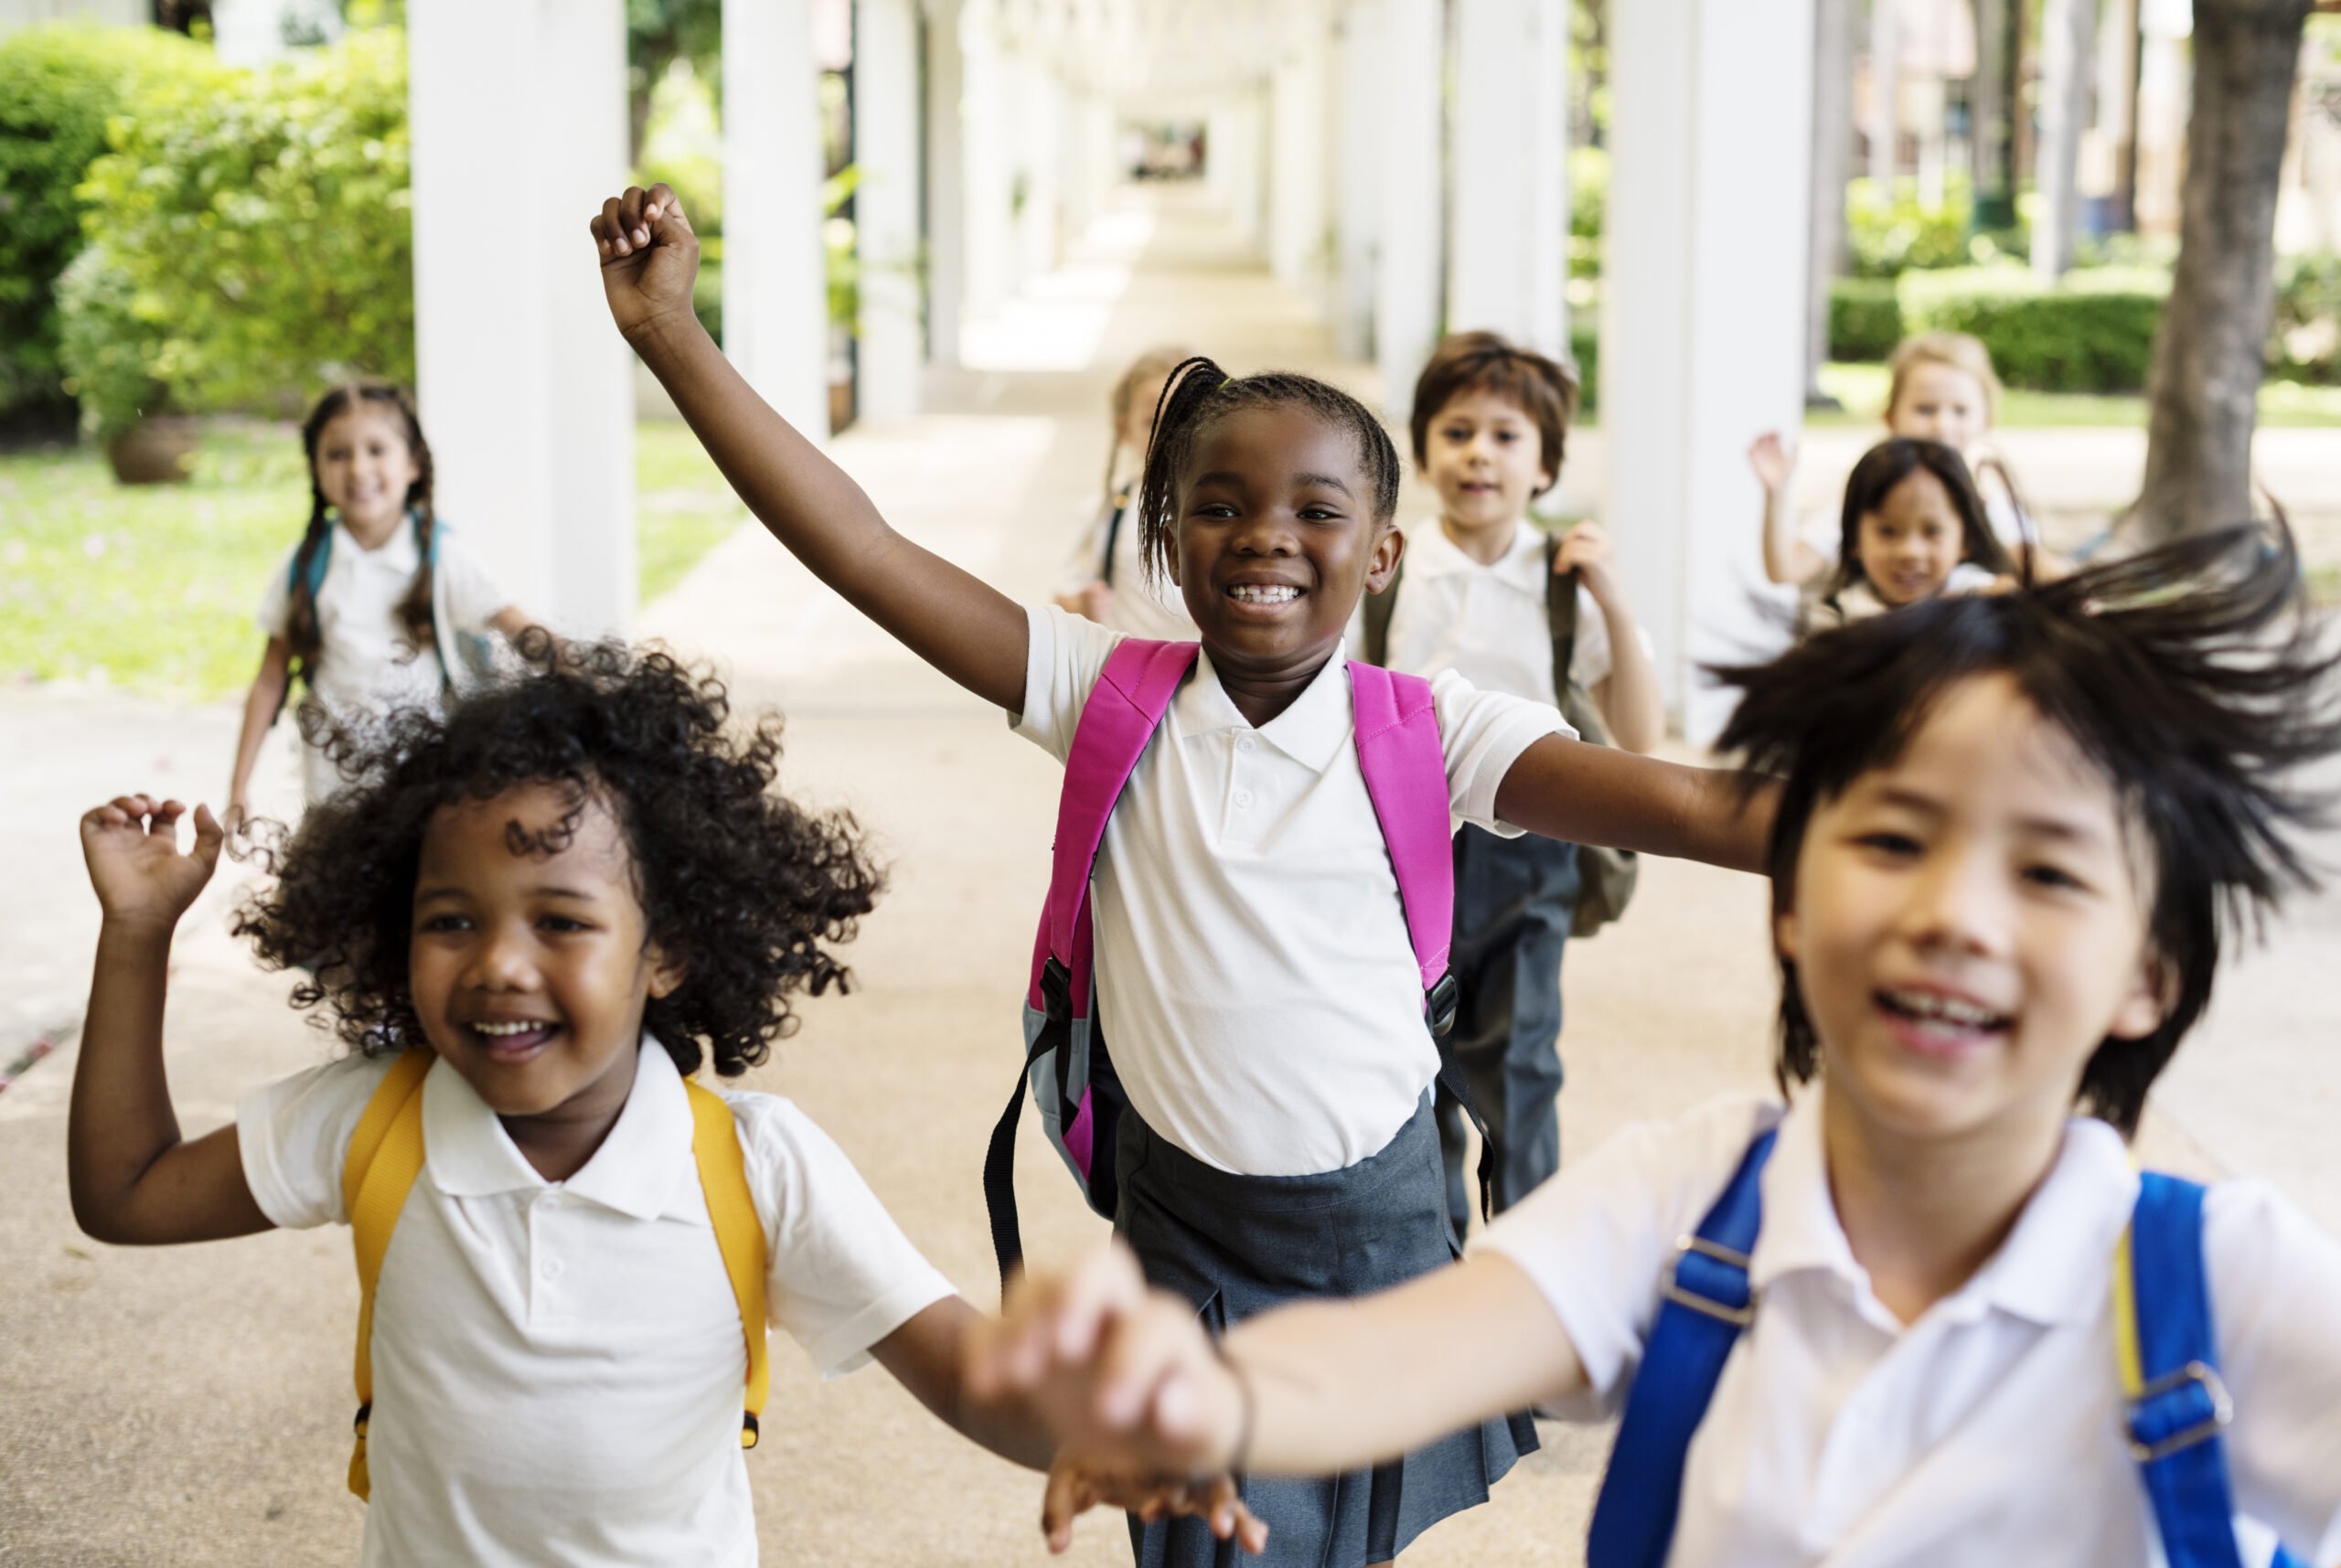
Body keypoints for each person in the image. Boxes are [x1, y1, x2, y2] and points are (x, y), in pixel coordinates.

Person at [588, 182, 1775, 1567]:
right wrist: (672, 332)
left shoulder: (1430, 725)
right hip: (1187, 1231)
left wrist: (1945, 824)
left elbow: (1693, 803)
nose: (1265, 532)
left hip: (1380, 1224)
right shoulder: (1103, 693)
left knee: (1343, 1534)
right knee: (1205, 1537)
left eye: (1314, 508)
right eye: (1220, 505)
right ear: (1168, 540)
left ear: (1380, 551)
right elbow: (859, 546)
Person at [970, 522, 2341, 1566]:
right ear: (1792, 897)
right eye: (1894, 838)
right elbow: (1386, 1357)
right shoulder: (1692, 1201)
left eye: (2047, 872)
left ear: (2151, 970)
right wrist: (1194, 1392)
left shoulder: (2230, 1288)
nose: (1953, 916)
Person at [69, 636, 1256, 1566]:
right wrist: (134, 934)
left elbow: (958, 1366)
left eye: (563, 919)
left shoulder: (753, 1164)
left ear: (669, 947)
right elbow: (124, 1192)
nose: (499, 962)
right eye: (451, 918)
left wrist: (1104, 1435)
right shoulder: (375, 1121)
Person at [1364, 330, 1663, 1238]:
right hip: (1406, 847)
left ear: (1544, 465)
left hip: (1533, 853)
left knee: (1520, 1060)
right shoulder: (1388, 567)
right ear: (1422, 453)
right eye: (1455, 432)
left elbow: (1640, 736)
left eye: (1505, 436)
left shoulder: (1562, 582)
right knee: (1413, 1059)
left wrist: (1611, 594)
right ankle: (1436, 1259)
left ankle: (1532, 1269)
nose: (1477, 454)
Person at [225, 382, 538, 825]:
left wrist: (593, 681)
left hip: (426, 787)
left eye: (376, 450)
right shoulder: (307, 565)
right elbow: (270, 679)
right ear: (315, 470)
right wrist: (239, 787)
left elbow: (522, 631)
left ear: (413, 463)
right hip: (333, 792)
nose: (358, 468)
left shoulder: (443, 557)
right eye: (338, 454)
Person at [1752, 330, 2055, 589]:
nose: (1942, 425)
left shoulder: (1992, 505)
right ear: (1890, 416)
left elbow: (2037, 565)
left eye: (1960, 411)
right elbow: (1787, 570)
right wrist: (1775, 493)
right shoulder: (1868, 497)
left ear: (1986, 420)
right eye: (1925, 409)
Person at [1799, 437, 2016, 635]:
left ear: (1966, 539)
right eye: (1887, 532)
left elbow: (2014, 600)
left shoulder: (1972, 593)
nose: (1910, 552)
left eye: (1932, 531)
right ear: (1854, 539)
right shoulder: (1837, 616)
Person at [1056, 346, 1201, 639]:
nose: (1170, 435)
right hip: (1135, 677)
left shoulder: (1230, 507)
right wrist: (1084, 605)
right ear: (1125, 428)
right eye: (1152, 423)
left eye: (1184, 418)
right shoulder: (1105, 510)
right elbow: (1064, 594)